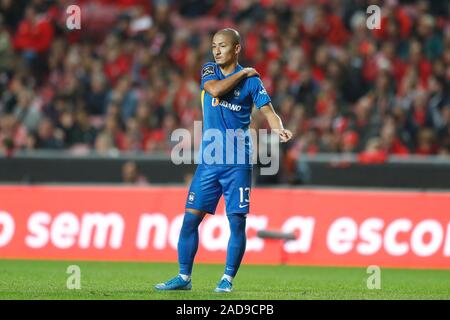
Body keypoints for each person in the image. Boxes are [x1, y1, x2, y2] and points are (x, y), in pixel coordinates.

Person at [155, 28, 292, 293]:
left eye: (223, 46)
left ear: (237, 48)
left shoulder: (253, 83)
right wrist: (244, 72)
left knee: (237, 222)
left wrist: (279, 128)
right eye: (214, 46)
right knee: (190, 221)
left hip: (238, 162)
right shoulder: (210, 71)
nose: (216, 51)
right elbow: (215, 90)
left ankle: (227, 279)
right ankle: (184, 277)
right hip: (209, 162)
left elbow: (269, 112)